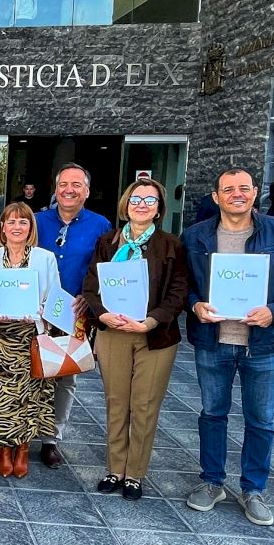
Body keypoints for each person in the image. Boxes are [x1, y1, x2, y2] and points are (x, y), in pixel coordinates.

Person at [182, 168, 274, 526]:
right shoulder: (196, 236)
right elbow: (181, 285)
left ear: (255, 193)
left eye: (244, 188)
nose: (237, 194)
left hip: (263, 345)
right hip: (213, 342)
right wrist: (195, 304)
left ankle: (253, 488)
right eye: (228, 189)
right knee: (212, 414)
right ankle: (212, 482)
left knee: (261, 420)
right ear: (216, 197)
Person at [82, 178, 188, 500]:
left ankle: (134, 474)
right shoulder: (107, 242)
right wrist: (102, 314)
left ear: (159, 209)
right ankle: (115, 468)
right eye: (136, 199)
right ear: (126, 205)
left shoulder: (171, 245)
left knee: (144, 405)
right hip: (114, 332)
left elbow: (179, 291)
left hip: (154, 335)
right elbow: (91, 286)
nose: (142, 205)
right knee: (117, 402)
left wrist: (151, 321)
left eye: (150, 200)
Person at [33, 163, 112, 469]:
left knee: (65, 376)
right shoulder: (36, 221)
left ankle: (51, 439)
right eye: (63, 184)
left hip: (76, 314)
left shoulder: (101, 226)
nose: (69, 190)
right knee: (30, 372)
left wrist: (91, 300)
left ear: (87, 191)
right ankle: (22, 432)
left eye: (76, 185)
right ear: (56, 189)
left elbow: (105, 271)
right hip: (36, 312)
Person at [0, 203, 60, 478]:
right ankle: (3, 449)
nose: (17, 227)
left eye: (23, 222)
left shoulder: (45, 258)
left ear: (31, 227)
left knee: (29, 397)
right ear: (2, 227)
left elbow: (55, 296)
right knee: (0, 397)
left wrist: (42, 311)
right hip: (1, 338)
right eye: (11, 222)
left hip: (32, 337)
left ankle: (22, 449)